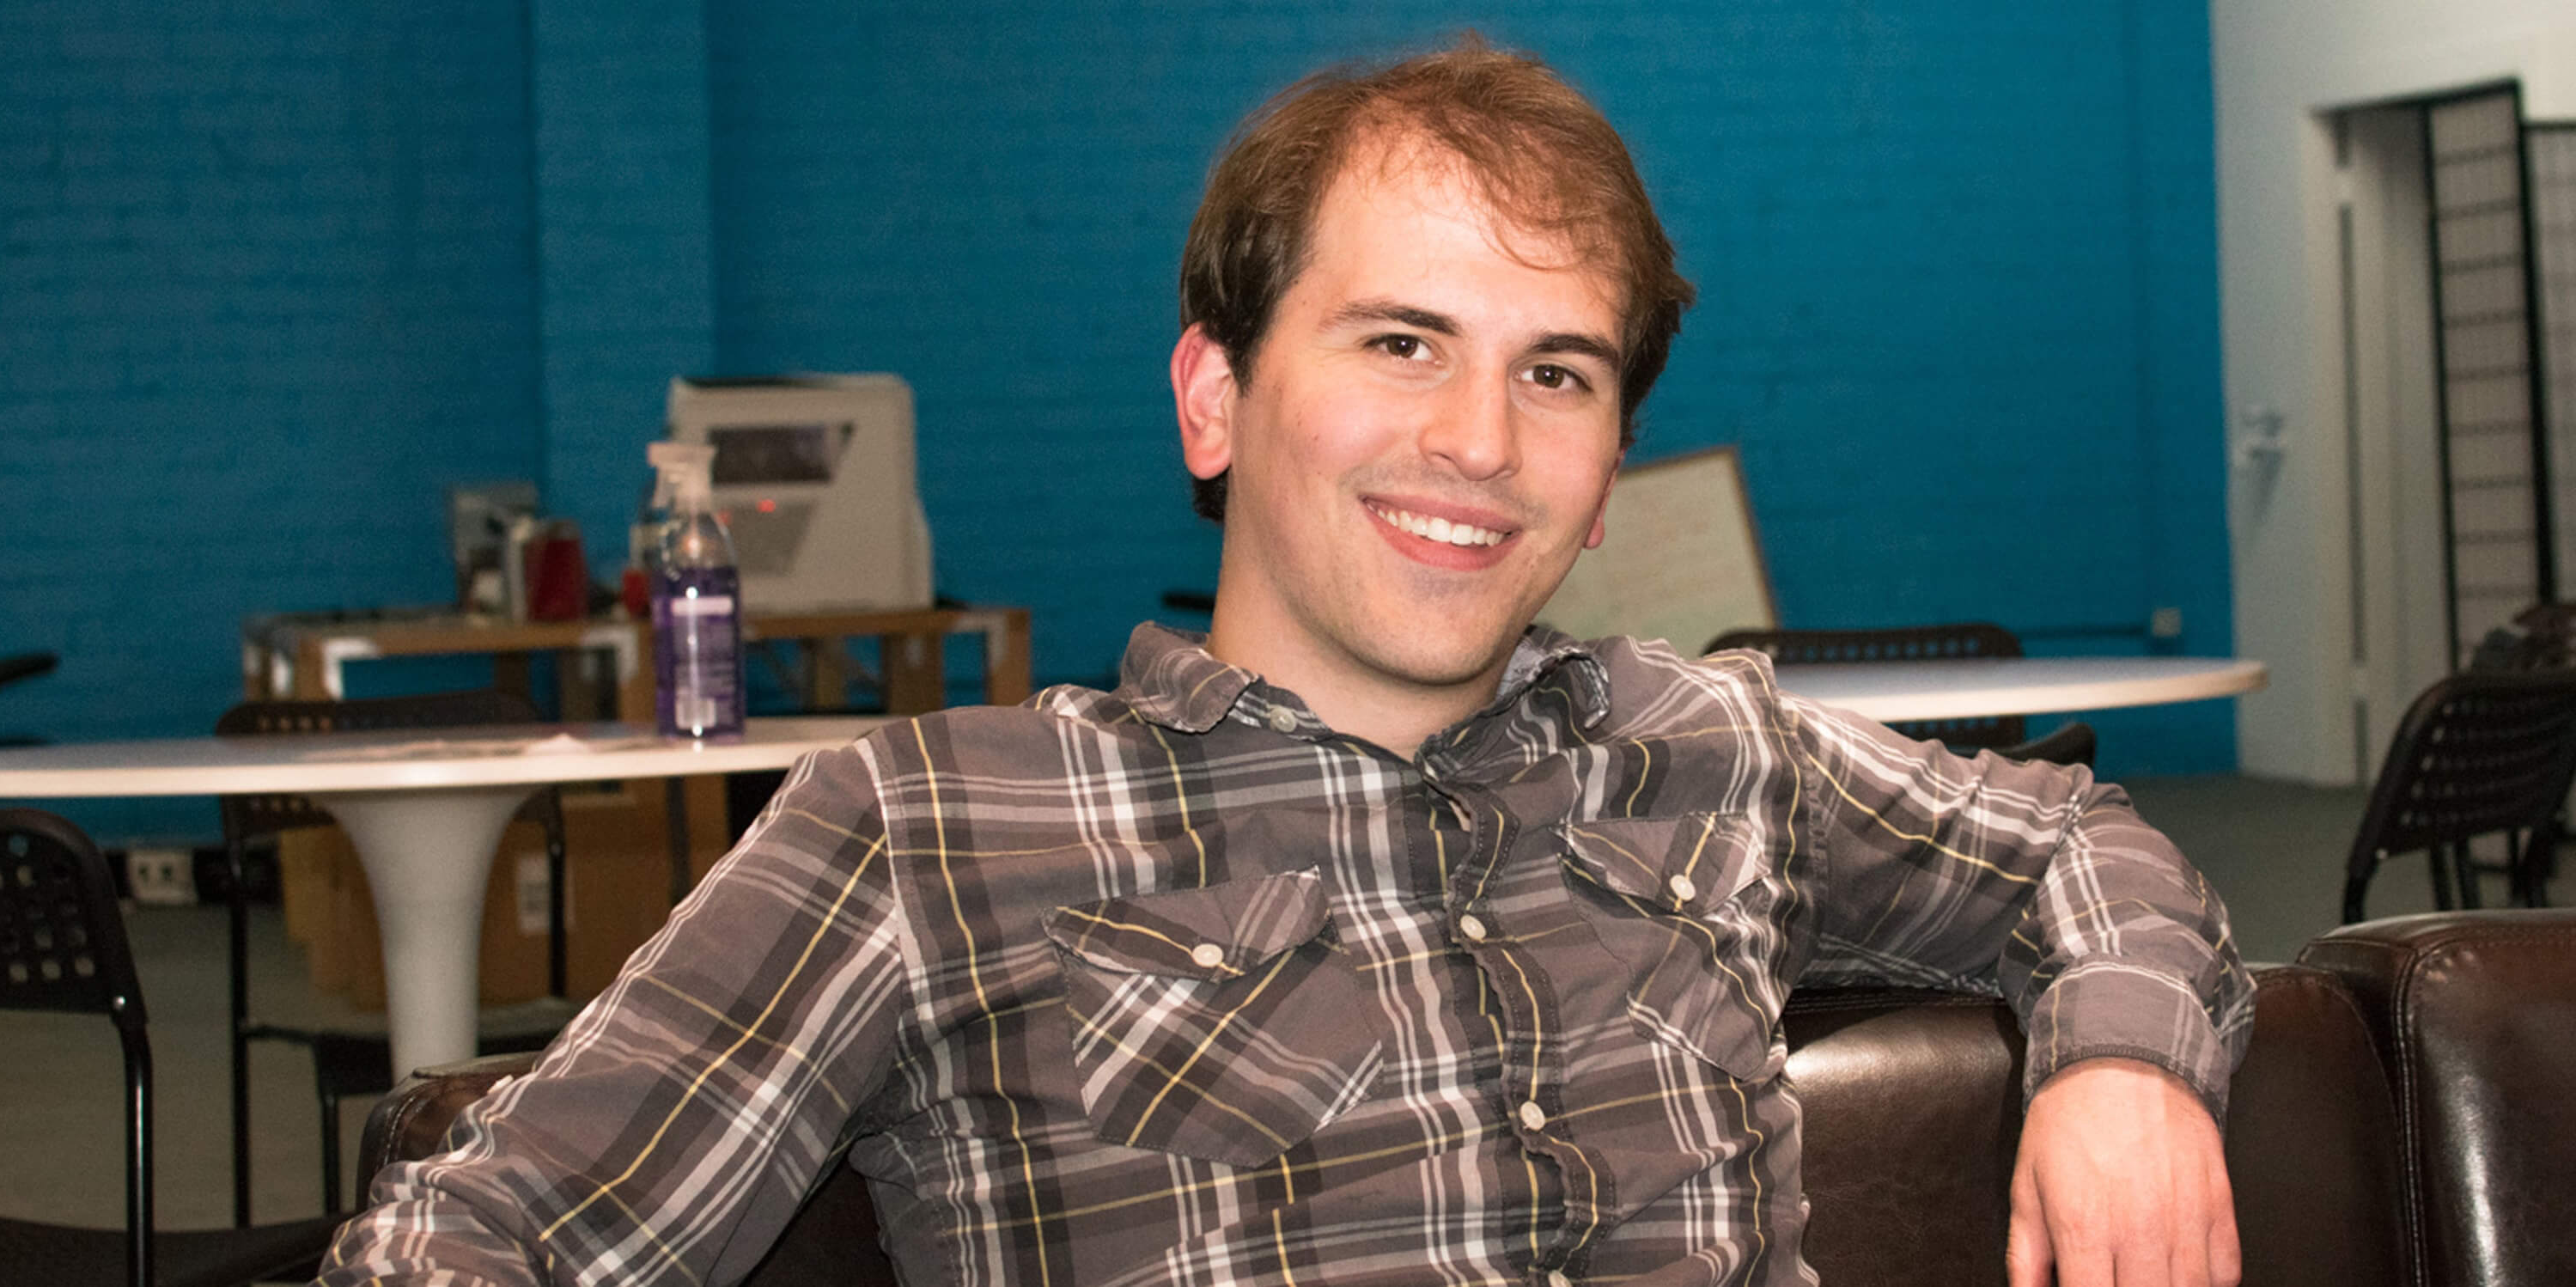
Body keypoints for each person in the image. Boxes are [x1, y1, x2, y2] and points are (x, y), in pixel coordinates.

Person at [321, 36, 2250, 1287]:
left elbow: (2086, 852)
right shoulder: (927, 827)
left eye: (1554, 373)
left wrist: (2122, 1073)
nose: (1479, 442)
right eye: (1401, 342)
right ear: (1213, 397)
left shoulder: (1703, 745)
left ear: (1601, 485)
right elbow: (475, 1247)